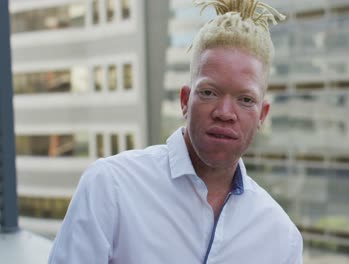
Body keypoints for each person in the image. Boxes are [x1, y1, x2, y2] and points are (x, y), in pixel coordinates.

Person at [48, 0, 303, 263]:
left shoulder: (281, 237)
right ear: (185, 101)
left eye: (246, 100)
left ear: (262, 115)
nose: (225, 112)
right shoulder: (110, 188)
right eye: (209, 93)